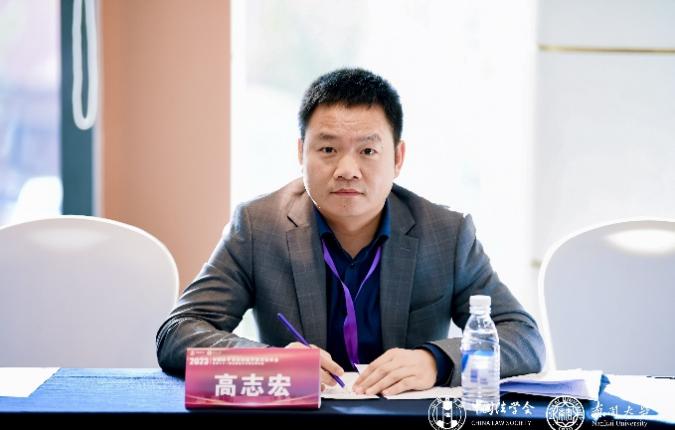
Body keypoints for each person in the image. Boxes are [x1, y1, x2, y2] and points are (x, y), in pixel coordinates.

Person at [156, 68, 545, 396]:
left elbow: (524, 338)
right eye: (328, 150)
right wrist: (272, 362)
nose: (347, 170)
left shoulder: (446, 234)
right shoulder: (259, 226)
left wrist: (436, 360)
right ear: (300, 153)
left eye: (368, 151)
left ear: (398, 158)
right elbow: (177, 332)